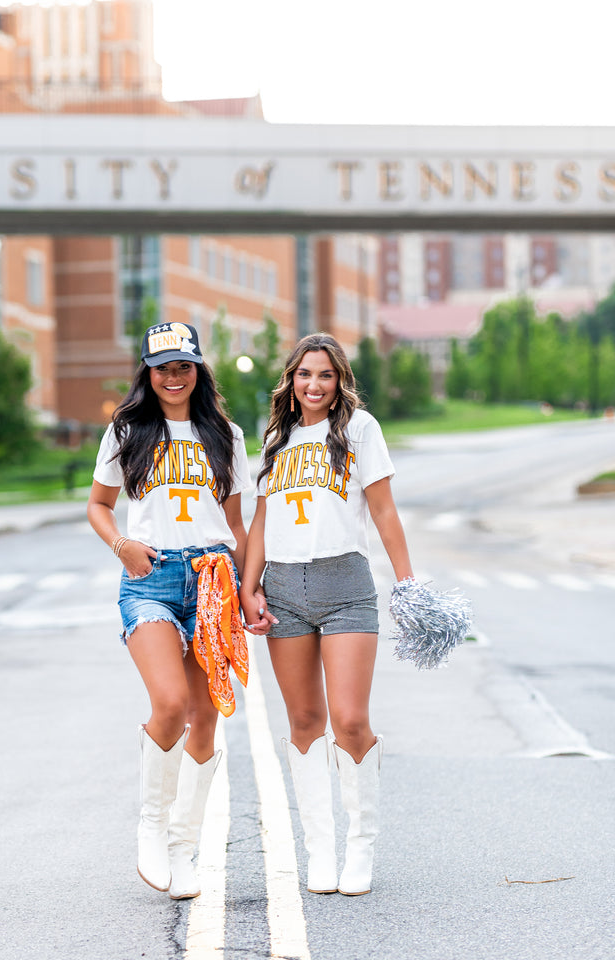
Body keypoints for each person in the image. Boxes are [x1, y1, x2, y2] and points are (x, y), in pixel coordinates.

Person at [240, 333, 414, 897]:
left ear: (340, 382)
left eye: (326, 375)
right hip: (284, 586)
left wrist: (408, 584)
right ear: (290, 380)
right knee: (304, 722)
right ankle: (319, 851)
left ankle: (360, 846)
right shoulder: (275, 438)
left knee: (350, 719)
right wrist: (250, 587)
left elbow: (384, 511)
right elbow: (261, 522)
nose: (314, 385)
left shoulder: (360, 430)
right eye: (304, 374)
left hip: (346, 583)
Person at [87, 321, 250, 900]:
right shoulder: (127, 430)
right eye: (163, 367)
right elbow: (100, 506)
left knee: (207, 719)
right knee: (171, 704)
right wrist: (121, 545)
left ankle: (184, 844)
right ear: (147, 372)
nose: (173, 377)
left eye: (184, 366)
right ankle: (152, 826)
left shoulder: (225, 435)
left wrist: (249, 591)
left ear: (198, 369)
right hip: (151, 580)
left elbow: (236, 525)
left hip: (213, 582)